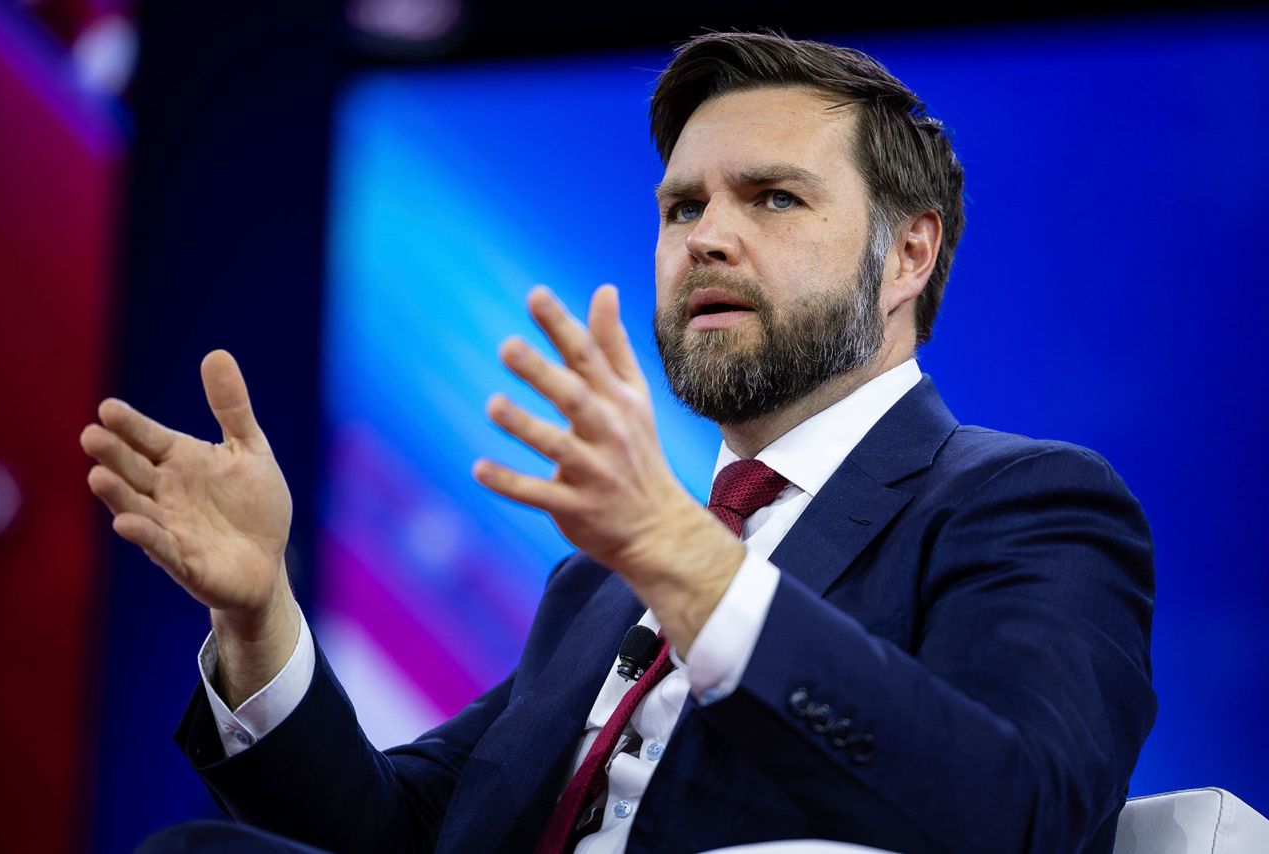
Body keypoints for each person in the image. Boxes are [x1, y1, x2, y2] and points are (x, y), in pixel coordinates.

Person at [81, 31, 1156, 854]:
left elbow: (1026, 811)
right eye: (681, 207)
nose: (707, 237)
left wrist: (689, 564)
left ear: (906, 254)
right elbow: (398, 828)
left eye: (771, 197)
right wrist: (259, 610)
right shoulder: (596, 588)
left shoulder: (1024, 503)